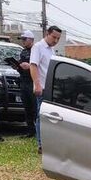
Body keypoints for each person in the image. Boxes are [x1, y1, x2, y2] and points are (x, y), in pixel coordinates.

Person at [29, 25, 63, 154]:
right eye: (54, 37)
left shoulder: (51, 50)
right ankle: (41, 144)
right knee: (41, 117)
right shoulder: (38, 47)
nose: (55, 40)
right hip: (42, 88)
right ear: (47, 34)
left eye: (58, 38)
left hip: (50, 89)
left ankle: (48, 143)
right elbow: (33, 66)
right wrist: (37, 84)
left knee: (50, 117)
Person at [15, 30, 37, 138]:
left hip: (33, 82)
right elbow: (21, 68)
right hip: (24, 81)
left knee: (35, 108)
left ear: (31, 40)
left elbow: (40, 66)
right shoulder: (23, 52)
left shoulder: (36, 50)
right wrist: (17, 67)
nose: (23, 41)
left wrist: (29, 66)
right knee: (27, 108)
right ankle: (30, 131)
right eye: (22, 39)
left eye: (25, 39)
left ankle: (38, 131)